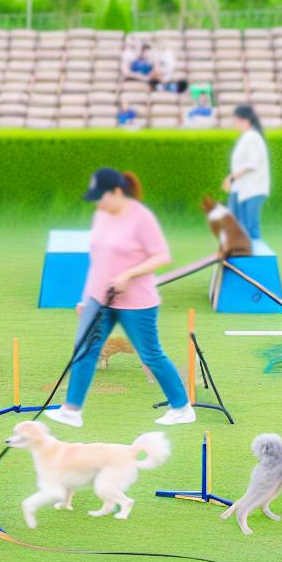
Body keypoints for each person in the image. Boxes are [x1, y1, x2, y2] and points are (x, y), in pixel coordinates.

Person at [48, 167, 195, 429]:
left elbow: (162, 256)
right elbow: (97, 260)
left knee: (150, 355)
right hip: (99, 298)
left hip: (137, 302)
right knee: (85, 350)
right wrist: (86, 299)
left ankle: (182, 408)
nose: (99, 203)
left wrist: (129, 274)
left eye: (102, 197)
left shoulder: (142, 218)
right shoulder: (101, 215)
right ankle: (71, 410)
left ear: (117, 192)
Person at [222, 104, 270, 241]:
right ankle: (242, 258)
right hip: (243, 189)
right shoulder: (246, 137)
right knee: (240, 227)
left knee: (250, 227)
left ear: (243, 120)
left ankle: (256, 260)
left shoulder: (252, 137)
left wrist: (231, 177)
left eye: (235, 119)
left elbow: (252, 164)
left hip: (253, 189)